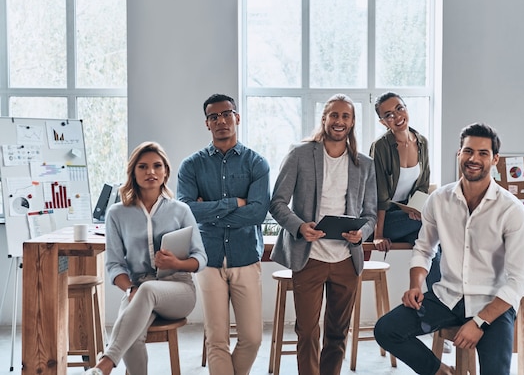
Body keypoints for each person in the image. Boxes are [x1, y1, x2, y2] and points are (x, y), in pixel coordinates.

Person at [373, 123, 524, 375]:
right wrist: (416, 284)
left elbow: (519, 282)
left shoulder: (511, 210)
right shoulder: (438, 200)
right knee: (386, 329)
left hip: (492, 304)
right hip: (446, 298)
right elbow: (424, 248)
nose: (474, 159)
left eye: (483, 153)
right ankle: (440, 372)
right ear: (459, 153)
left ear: (495, 160)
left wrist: (479, 322)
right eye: (468, 151)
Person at [269, 93, 377, 375]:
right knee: (306, 331)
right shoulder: (300, 154)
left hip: (346, 258)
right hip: (309, 256)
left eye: (346, 116)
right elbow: (277, 203)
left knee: (338, 333)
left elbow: (370, 215)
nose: (339, 121)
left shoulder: (364, 164)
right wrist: (299, 227)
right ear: (324, 119)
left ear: (352, 122)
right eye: (334, 115)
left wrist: (362, 233)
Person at [83, 141, 207, 375]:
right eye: (143, 166)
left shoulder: (181, 210)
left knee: (148, 290)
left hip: (178, 289)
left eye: (157, 166)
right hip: (136, 290)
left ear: (165, 172)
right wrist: (130, 290)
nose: (151, 172)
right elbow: (114, 264)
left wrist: (176, 263)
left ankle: (104, 365)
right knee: (131, 336)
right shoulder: (116, 213)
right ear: (133, 172)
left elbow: (200, 258)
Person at [177, 93, 270, 375]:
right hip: (208, 258)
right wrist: (233, 203)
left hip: (245, 257)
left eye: (226, 114)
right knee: (216, 339)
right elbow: (186, 211)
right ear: (206, 124)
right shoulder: (191, 165)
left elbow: (256, 213)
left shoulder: (256, 163)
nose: (221, 121)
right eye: (213, 116)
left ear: (237, 118)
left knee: (252, 338)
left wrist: (210, 209)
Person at [369, 91, 440, 290]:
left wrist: (418, 210)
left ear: (406, 108)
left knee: (431, 243)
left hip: (410, 219)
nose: (397, 116)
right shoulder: (381, 147)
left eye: (399, 108)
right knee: (433, 230)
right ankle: (443, 303)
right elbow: (379, 195)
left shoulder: (422, 142)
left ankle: (437, 302)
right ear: (383, 122)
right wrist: (379, 235)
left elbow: (423, 185)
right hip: (383, 220)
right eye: (389, 115)